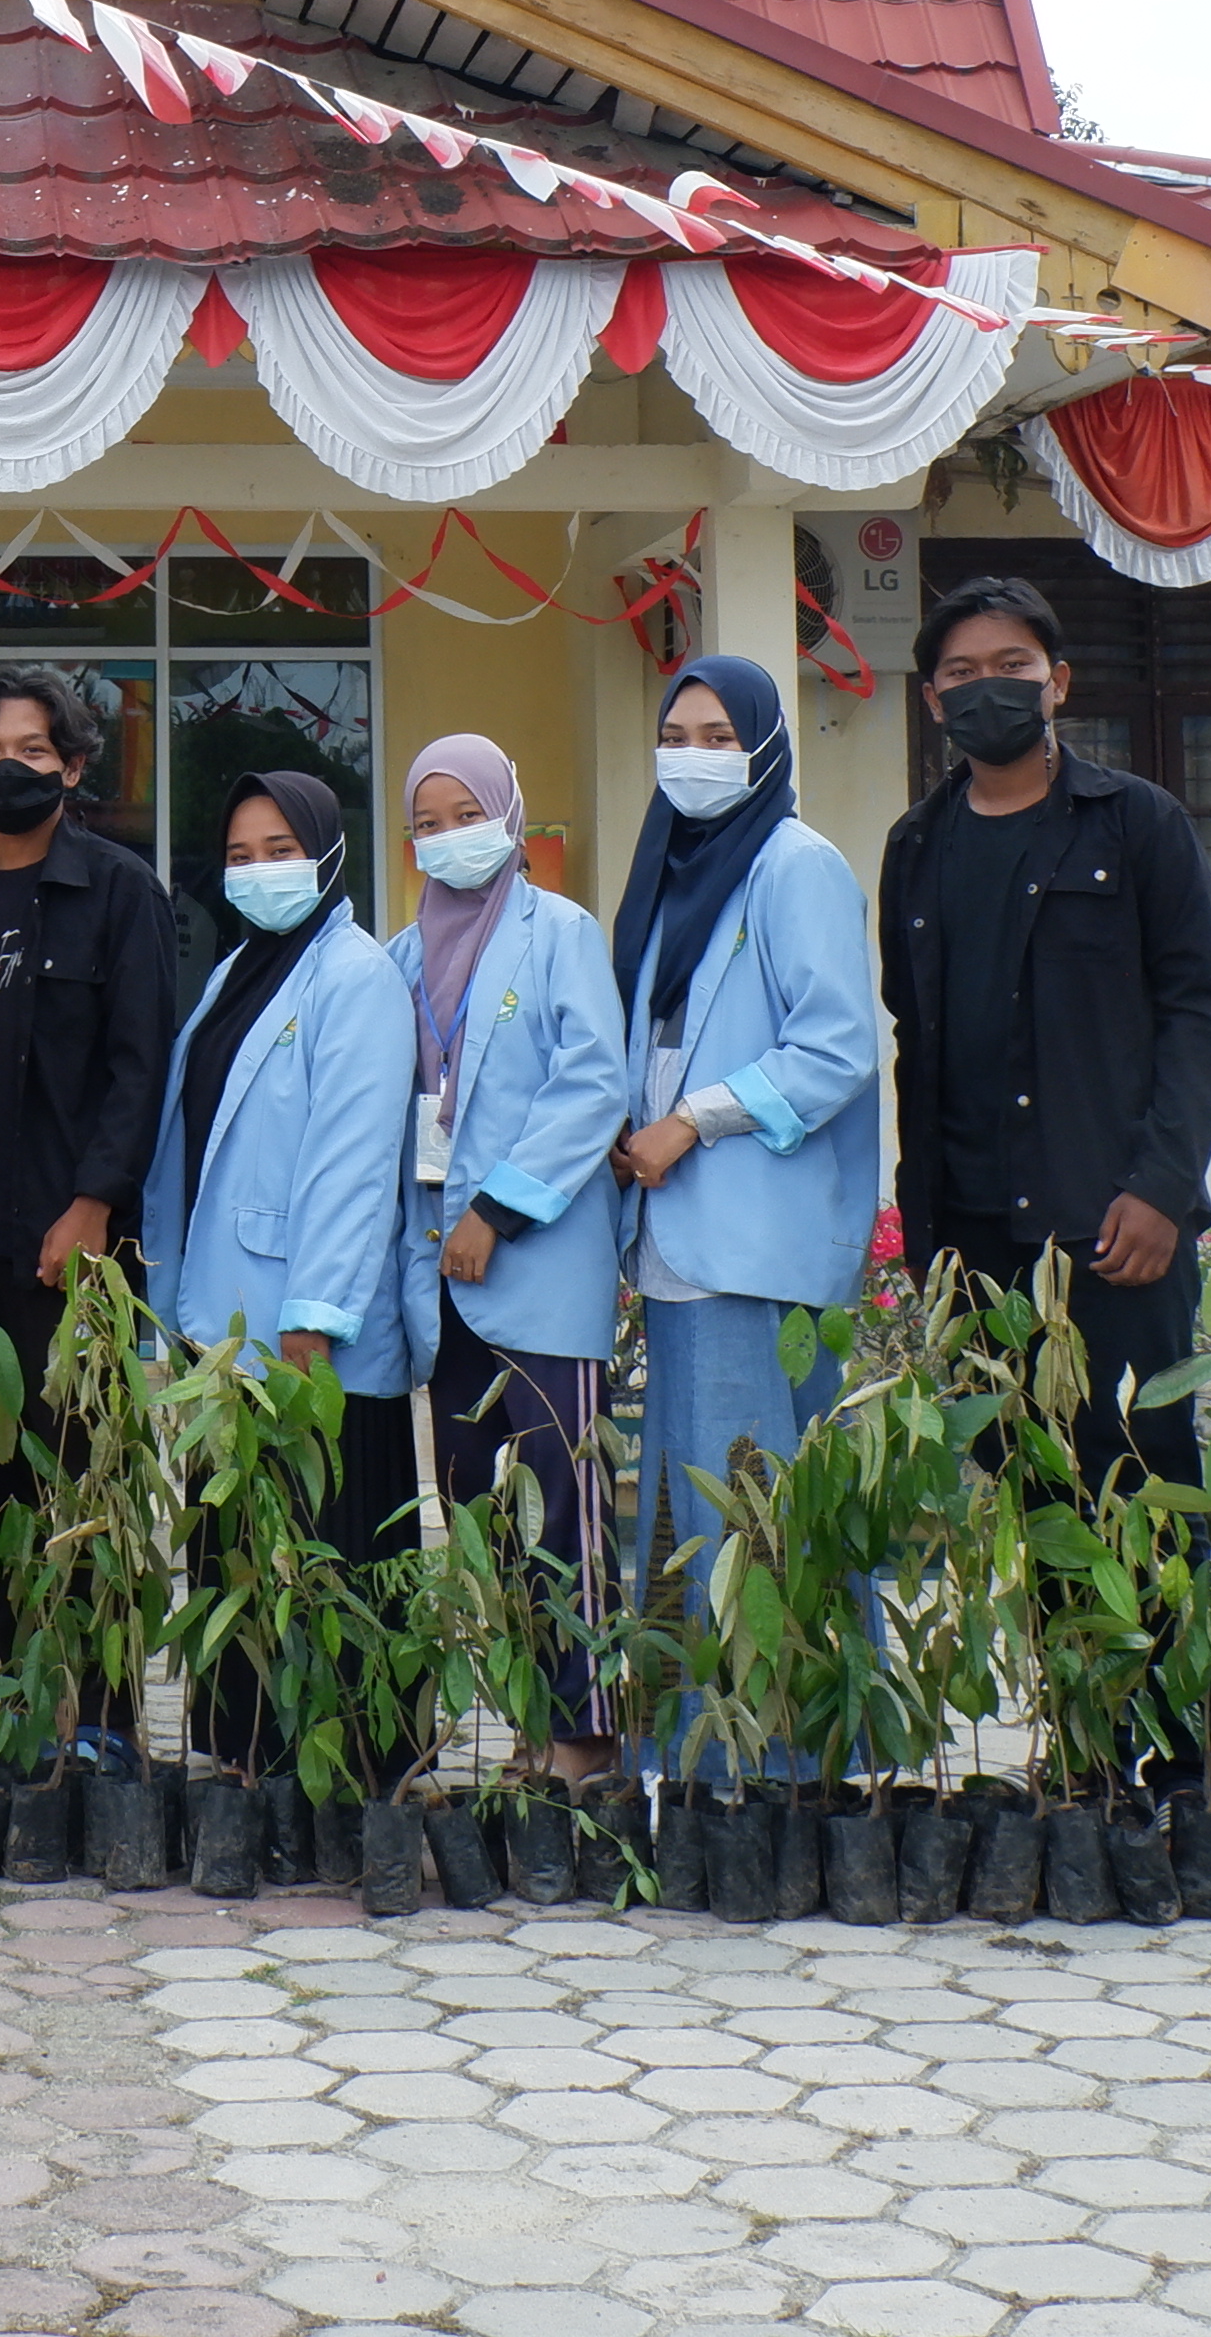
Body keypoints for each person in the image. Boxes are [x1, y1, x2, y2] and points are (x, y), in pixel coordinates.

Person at [879, 573, 1211, 1529]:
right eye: (961, 672)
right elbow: (916, 1037)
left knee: (1141, 1486)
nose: (985, 687)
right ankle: (1054, 1682)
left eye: (1012, 666)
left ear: (1058, 683)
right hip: (976, 1240)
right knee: (1023, 1493)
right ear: (931, 699)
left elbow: (1197, 1014)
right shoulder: (916, 847)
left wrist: (1164, 1187)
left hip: (1113, 1230)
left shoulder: (1137, 823)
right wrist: (927, 1236)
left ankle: (1166, 1690)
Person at [0, 664, 174, 1738]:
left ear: (72, 764)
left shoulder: (120, 891)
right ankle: (28, 1703)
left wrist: (95, 1201)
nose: (6, 768)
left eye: (30, 750)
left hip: (73, 1247)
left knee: (81, 1476)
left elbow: (139, 1063)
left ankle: (105, 1718)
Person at [137, 770, 416, 1771]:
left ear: (330, 854)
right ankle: (249, 1751)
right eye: (241, 855)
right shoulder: (236, 973)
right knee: (241, 1554)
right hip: (224, 1325)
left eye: (281, 851)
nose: (259, 872)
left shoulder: (356, 976)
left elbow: (353, 1161)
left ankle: (355, 1765)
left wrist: (313, 1321)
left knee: (328, 1541)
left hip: (308, 1336)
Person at [606, 655, 883, 1614]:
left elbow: (836, 1047)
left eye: (720, 740)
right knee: (693, 1500)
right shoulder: (673, 873)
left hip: (754, 1242)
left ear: (764, 749)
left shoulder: (795, 864)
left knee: (754, 1497)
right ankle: (691, 1754)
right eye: (676, 740)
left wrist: (691, 1119)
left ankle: (776, 1757)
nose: (694, 759)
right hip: (681, 1233)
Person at [389, 733, 637, 1775]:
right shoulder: (403, 955)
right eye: (429, 823)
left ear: (510, 811)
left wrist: (498, 1207)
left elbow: (594, 1085)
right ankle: (528, 1717)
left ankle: (586, 1736)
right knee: (476, 1510)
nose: (451, 839)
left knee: (561, 1508)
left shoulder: (561, 932)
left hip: (533, 1269)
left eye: (468, 814)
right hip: (443, 1282)